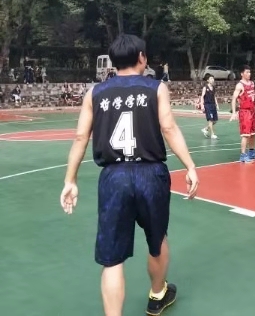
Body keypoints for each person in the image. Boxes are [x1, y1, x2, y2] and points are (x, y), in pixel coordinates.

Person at [59, 34, 199, 316]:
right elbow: (169, 128)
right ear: (142, 58)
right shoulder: (156, 88)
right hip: (151, 174)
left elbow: (80, 137)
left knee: (112, 260)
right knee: (157, 240)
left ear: (113, 61)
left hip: (114, 177)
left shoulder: (95, 93)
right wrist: (190, 166)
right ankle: (157, 295)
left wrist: (70, 180)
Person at [230, 65, 255, 163]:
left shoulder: (252, 83)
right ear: (242, 74)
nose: (249, 74)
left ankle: (251, 152)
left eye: (249, 72)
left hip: (252, 111)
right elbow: (234, 99)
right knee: (245, 134)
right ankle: (243, 155)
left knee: (253, 133)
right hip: (245, 112)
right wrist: (234, 112)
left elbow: (253, 97)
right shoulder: (240, 85)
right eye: (247, 72)